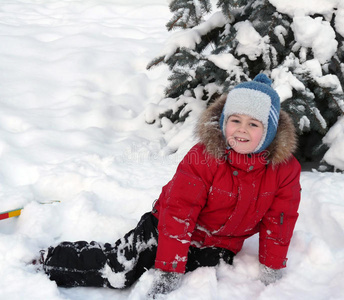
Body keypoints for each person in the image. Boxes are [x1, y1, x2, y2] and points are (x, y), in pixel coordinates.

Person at [38, 74, 301, 298]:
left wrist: (272, 267)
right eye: (235, 120)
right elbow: (179, 212)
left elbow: (279, 220)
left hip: (217, 247)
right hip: (165, 228)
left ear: (269, 132)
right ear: (223, 122)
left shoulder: (283, 171)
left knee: (199, 281)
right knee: (120, 270)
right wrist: (170, 267)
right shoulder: (204, 158)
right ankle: (51, 261)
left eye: (253, 124)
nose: (241, 130)